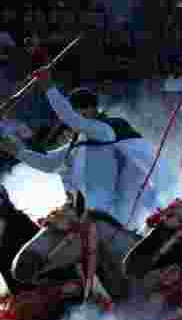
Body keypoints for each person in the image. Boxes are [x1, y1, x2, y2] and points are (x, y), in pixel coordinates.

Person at [0, 73, 163, 229]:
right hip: (88, 214)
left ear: (92, 109)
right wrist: (16, 150)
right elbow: (47, 163)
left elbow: (72, 119)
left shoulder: (108, 128)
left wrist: (49, 86)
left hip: (118, 212)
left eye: (79, 111)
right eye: (75, 111)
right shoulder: (79, 141)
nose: (75, 118)